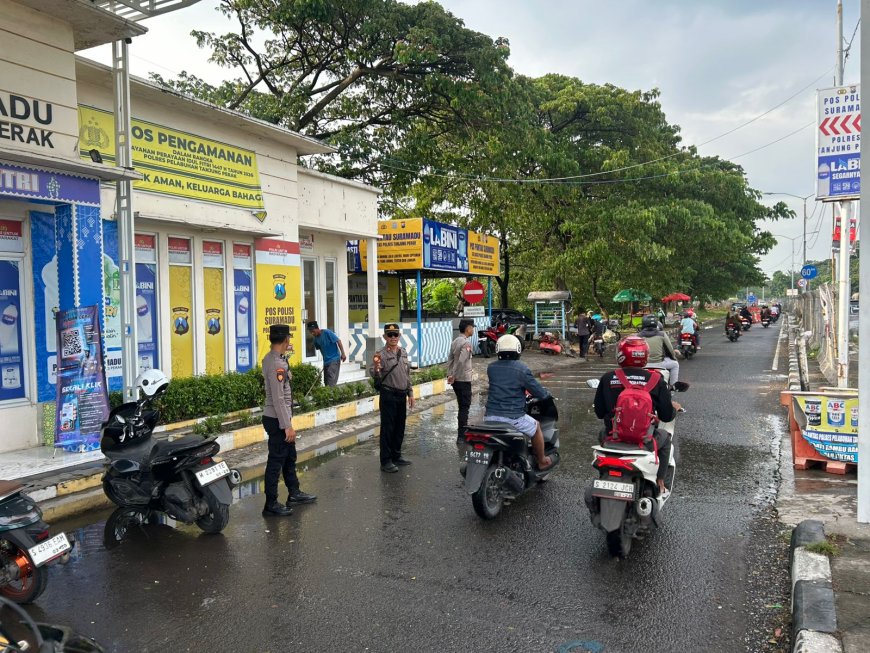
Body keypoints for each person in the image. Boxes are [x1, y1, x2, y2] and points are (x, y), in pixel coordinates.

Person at [593, 336, 681, 492]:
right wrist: (673, 408)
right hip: (644, 440)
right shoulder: (656, 380)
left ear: (620, 354)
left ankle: (604, 475)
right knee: (666, 440)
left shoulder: (608, 378)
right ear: (645, 355)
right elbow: (666, 416)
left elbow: (600, 413)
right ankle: (660, 480)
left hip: (612, 437)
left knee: (601, 433)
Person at [261, 324, 317, 517]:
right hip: (277, 419)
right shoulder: (276, 363)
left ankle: (294, 492)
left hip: (279, 417)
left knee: (289, 457)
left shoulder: (273, 358)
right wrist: (287, 426)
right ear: (286, 340)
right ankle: (271, 503)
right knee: (276, 461)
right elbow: (278, 399)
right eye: (289, 339)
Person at [484, 334, 553, 470]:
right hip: (512, 416)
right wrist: (546, 394)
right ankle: (541, 460)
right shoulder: (521, 369)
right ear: (518, 351)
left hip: (490, 416)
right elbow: (537, 391)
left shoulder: (491, 368)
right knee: (536, 427)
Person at [370, 323, 415, 473]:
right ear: (385, 337)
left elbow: (406, 375)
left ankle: (396, 455)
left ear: (399, 336)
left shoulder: (403, 352)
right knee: (388, 429)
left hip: (401, 394)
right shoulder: (380, 354)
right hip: (388, 394)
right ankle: (386, 461)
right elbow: (374, 372)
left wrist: (410, 393)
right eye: (390, 335)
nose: (393, 337)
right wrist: (377, 370)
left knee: (399, 427)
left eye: (396, 334)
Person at [447, 319, 475, 441]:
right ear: (468, 328)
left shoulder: (455, 341)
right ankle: (461, 435)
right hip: (462, 379)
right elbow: (461, 361)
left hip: (456, 379)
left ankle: (462, 432)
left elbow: (450, 360)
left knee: (462, 406)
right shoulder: (466, 343)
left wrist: (449, 374)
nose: (473, 330)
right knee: (464, 407)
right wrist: (453, 375)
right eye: (472, 327)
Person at [638, 314, 680, 385]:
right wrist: (673, 357)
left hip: (643, 365)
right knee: (675, 364)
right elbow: (670, 350)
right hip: (659, 364)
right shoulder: (662, 334)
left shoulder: (638, 336)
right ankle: (673, 386)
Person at [307, 321, 346, 386]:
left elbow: (338, 341)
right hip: (326, 362)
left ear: (317, 328)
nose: (312, 333)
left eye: (313, 331)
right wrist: (325, 362)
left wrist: (343, 354)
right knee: (326, 382)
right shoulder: (316, 340)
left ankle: (331, 395)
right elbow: (321, 350)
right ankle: (330, 395)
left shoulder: (327, 332)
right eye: (310, 332)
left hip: (334, 359)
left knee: (331, 381)